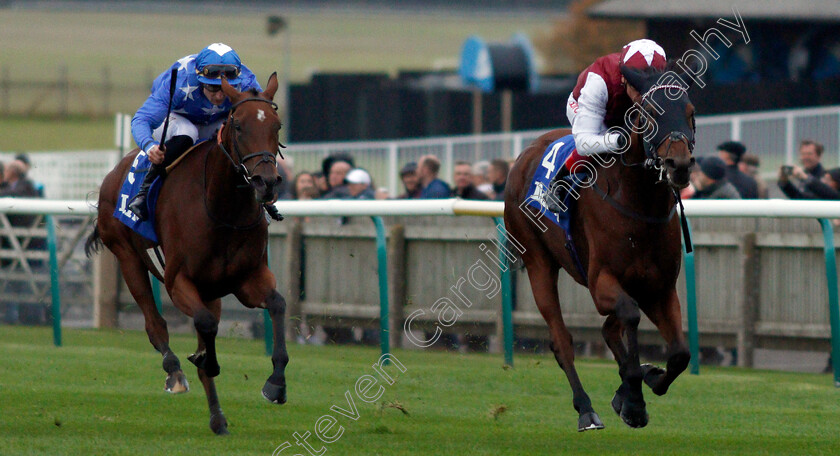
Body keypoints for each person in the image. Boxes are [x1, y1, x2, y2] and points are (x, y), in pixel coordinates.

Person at [128, 43, 262, 220]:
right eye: (213, 87)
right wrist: (149, 146)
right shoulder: (181, 81)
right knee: (189, 132)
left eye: (225, 88)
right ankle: (144, 191)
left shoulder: (247, 83)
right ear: (200, 79)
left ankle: (258, 197)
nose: (220, 96)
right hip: (177, 118)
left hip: (215, 120)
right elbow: (141, 120)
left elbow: (261, 120)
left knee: (237, 131)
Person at [545, 39, 668, 212]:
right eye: (636, 85)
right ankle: (559, 181)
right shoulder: (599, 80)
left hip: (623, 112)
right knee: (605, 148)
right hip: (585, 107)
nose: (642, 94)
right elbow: (584, 143)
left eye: (647, 87)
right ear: (624, 77)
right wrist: (618, 141)